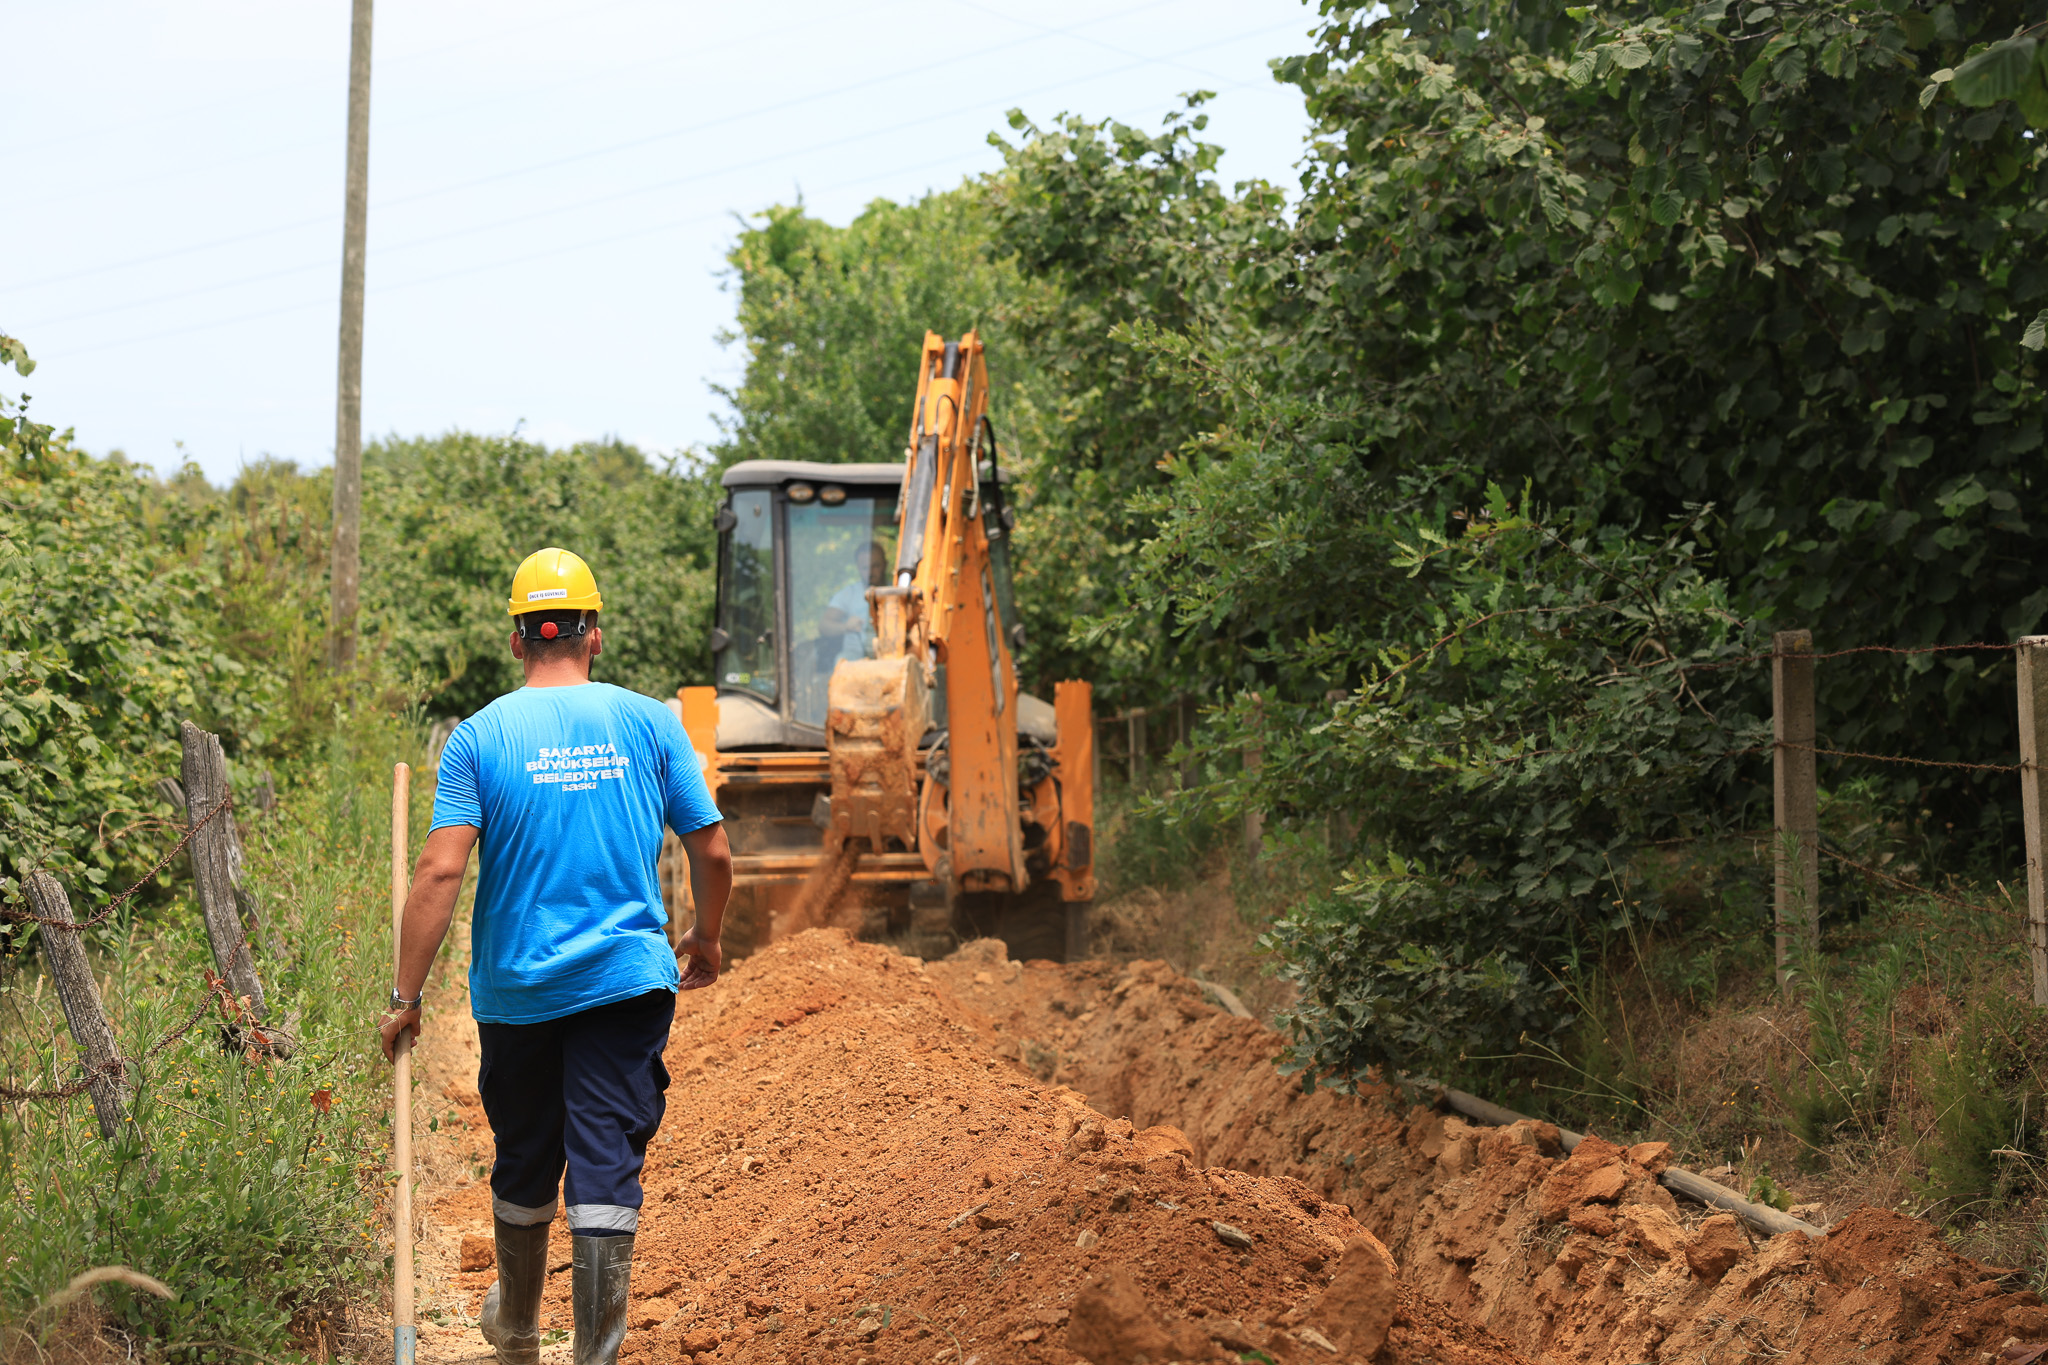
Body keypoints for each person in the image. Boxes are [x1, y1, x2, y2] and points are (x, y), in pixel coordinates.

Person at [378, 547, 733, 1365]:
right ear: (594, 634)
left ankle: (517, 1336)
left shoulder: (480, 736)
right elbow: (710, 848)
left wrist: (405, 992)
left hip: (520, 990)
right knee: (606, 1159)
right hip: (625, 982)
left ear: (516, 641)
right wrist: (706, 934)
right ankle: (593, 1355)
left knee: (527, 1152)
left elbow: (439, 868)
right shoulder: (650, 721)